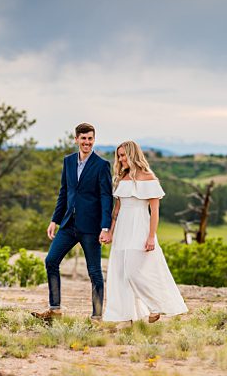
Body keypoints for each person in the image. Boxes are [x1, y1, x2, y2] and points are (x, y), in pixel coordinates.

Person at [101, 140, 188, 324]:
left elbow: (154, 211)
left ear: (133, 155)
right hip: (122, 229)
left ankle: (155, 306)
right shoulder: (121, 178)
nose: (121, 159)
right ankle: (125, 316)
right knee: (121, 273)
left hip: (140, 227)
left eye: (124, 155)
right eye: (119, 155)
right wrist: (109, 232)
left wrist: (151, 236)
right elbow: (116, 211)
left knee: (134, 271)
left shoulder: (149, 178)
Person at [37, 122, 114, 321]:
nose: (86, 142)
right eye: (83, 138)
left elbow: (107, 197)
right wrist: (55, 220)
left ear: (93, 140)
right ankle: (55, 310)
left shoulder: (102, 165)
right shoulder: (68, 161)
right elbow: (64, 192)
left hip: (91, 228)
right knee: (51, 261)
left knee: (94, 272)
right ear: (76, 139)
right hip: (68, 224)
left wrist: (105, 227)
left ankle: (97, 317)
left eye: (90, 138)